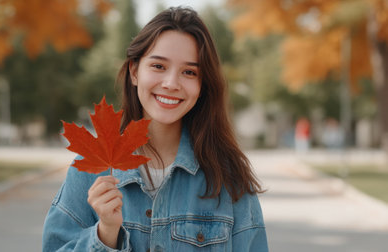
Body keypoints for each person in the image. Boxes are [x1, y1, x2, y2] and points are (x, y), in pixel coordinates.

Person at [42, 6, 268, 251]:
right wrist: (105, 234)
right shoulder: (90, 170)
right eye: (159, 66)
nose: (171, 83)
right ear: (134, 71)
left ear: (203, 85)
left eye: (189, 72)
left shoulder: (228, 177)